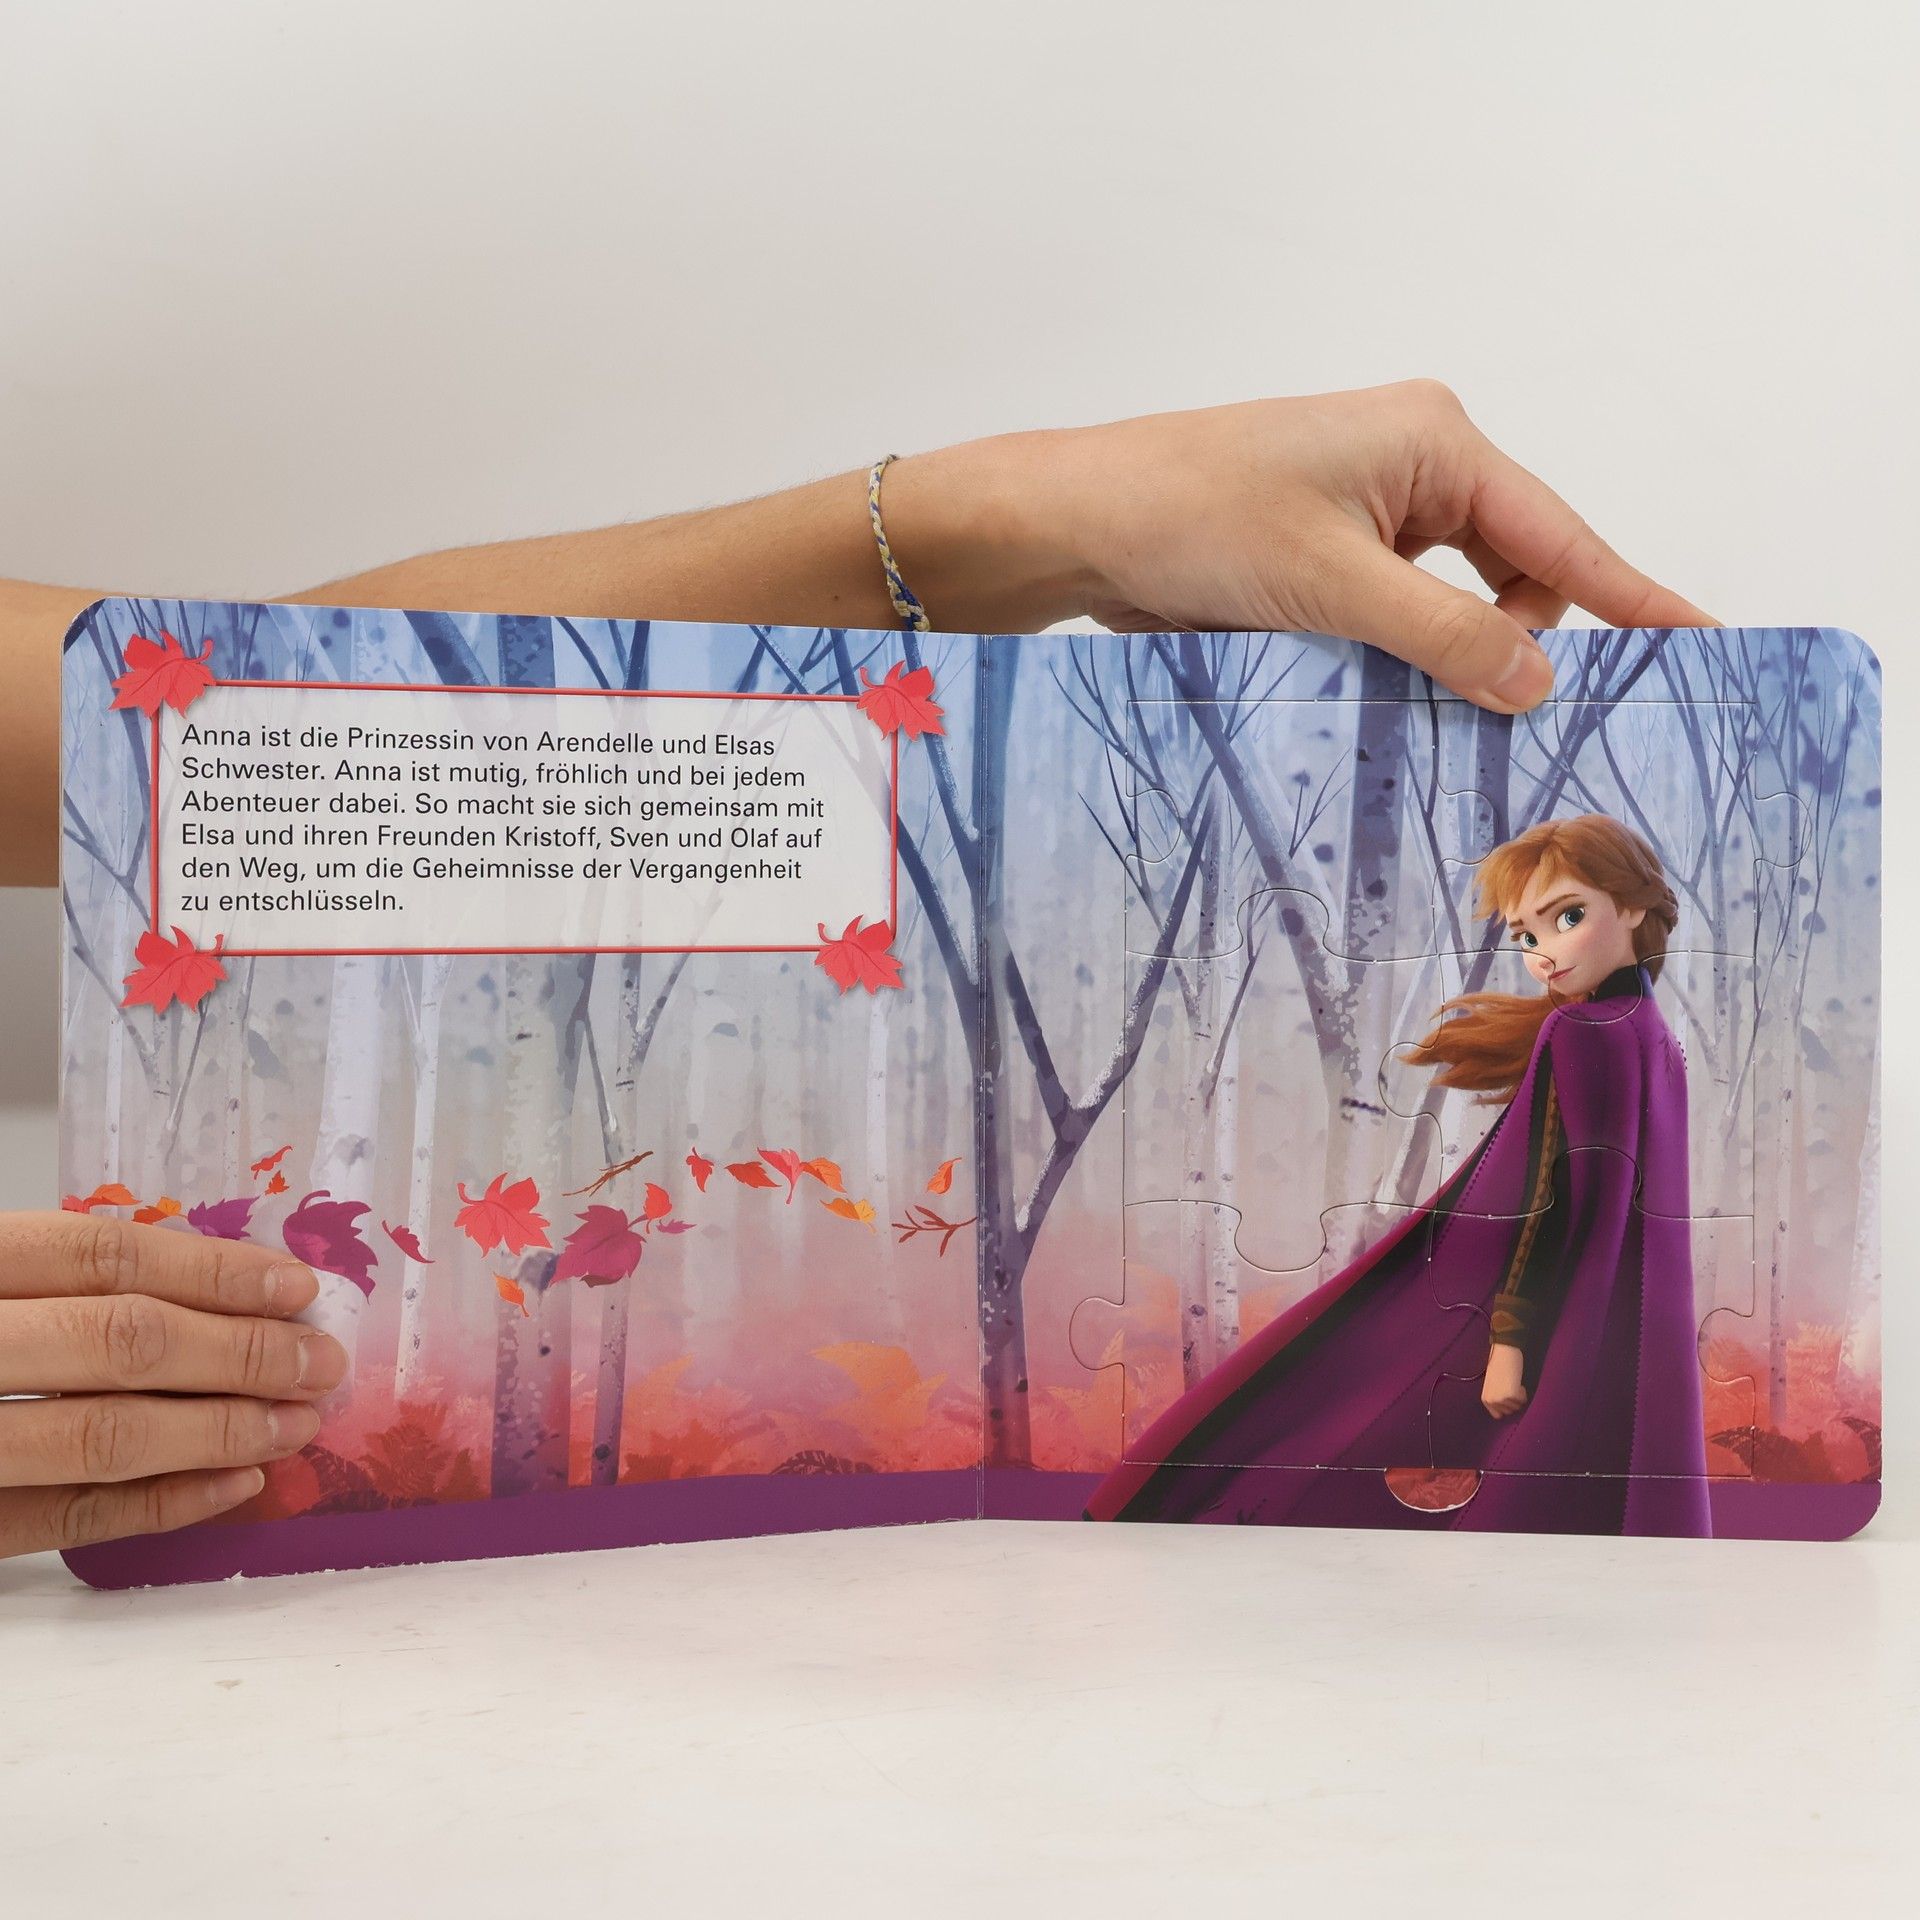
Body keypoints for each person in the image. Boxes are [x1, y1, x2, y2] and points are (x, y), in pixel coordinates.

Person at [0, 381, 1714, 1559]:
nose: (1540, 946)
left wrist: (1026, 515)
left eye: (1562, 919)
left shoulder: (1618, 1054)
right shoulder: (1588, 1056)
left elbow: (166, 711)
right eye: (1531, 923)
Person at [1086, 814, 1713, 1537]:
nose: (1544, 954)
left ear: (1632, 906)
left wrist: (1508, 1345)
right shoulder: (1654, 1036)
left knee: (1333, 1402)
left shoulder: (1582, 1031)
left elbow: (1540, 1200)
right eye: (1526, 937)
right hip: (1623, 1328)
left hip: (1561, 1316)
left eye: (1568, 917)